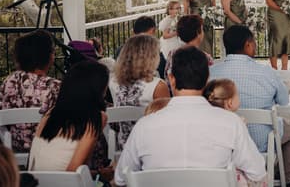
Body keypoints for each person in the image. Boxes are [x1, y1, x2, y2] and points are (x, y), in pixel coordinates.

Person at [114, 46, 266, 187]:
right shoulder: (231, 123)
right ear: (207, 79)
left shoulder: (144, 126)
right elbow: (258, 172)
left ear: (171, 79)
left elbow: (121, 178)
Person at [209, 26, 290, 187]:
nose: (254, 45)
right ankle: (287, 180)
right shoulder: (265, 71)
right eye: (254, 42)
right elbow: (284, 101)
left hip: (224, 140)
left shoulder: (211, 72)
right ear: (248, 45)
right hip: (263, 140)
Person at [28, 61, 109, 176]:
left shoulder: (50, 113)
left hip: (36, 181)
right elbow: (75, 173)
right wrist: (102, 175)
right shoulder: (97, 117)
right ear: (98, 89)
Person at [0, 30, 61, 152]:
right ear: (48, 56)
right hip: (48, 147)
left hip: (16, 146)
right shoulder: (55, 86)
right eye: (52, 51)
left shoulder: (8, 82)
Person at [109, 34, 170, 150]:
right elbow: (165, 124)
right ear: (151, 58)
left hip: (123, 147)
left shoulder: (113, 82)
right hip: (151, 149)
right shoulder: (158, 86)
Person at [204, 79, 263, 187]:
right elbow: (253, 166)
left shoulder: (203, 120)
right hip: (228, 179)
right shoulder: (235, 122)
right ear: (230, 103)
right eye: (237, 95)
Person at [164, 14, 213, 83]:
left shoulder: (172, 53)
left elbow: (167, 77)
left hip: (175, 92)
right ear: (198, 33)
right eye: (202, 30)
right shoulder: (205, 57)